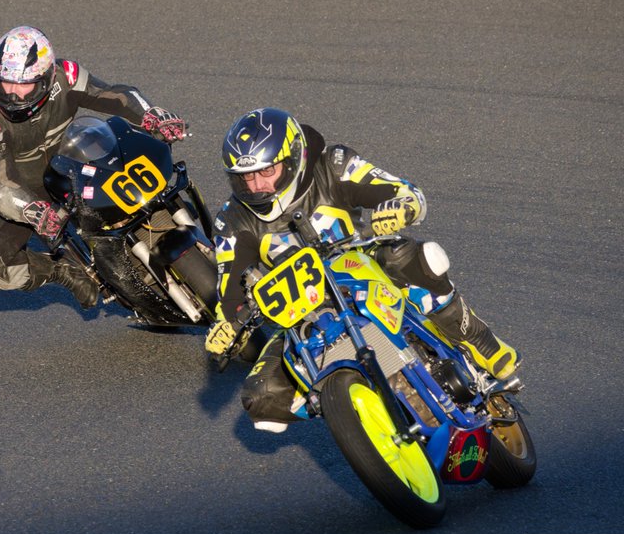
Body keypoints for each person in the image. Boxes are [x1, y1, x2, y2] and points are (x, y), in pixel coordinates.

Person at [203, 107, 519, 432]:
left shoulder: (332, 164)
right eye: (245, 177)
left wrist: (399, 207)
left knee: (413, 258)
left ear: (292, 157)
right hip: (304, 312)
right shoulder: (231, 220)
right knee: (261, 398)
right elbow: (230, 289)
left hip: (359, 261)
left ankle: (476, 339)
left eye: (265, 172)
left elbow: (405, 192)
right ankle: (356, 409)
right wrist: (227, 325)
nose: (256, 187)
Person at [0, 25, 188, 309]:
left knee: (137, 149)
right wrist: (32, 210)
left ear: (46, 78)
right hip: (27, 188)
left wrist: (152, 114)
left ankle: (172, 211)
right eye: (5, 83)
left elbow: (116, 95)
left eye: (24, 85)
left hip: (73, 159)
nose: (12, 95)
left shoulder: (66, 75)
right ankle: (63, 270)